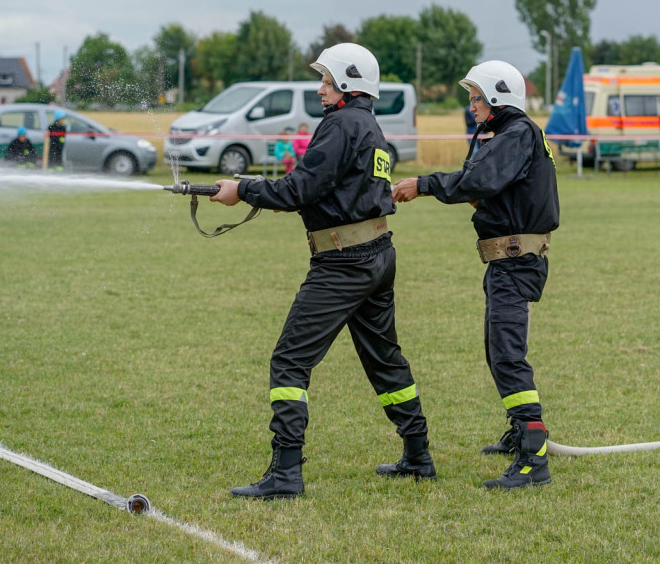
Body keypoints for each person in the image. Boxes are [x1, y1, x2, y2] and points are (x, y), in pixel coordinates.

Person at [211, 43, 433, 500]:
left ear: (349, 84)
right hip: (377, 255)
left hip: (343, 264)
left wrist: (243, 189)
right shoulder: (370, 126)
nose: (321, 88)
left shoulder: (340, 124)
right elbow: (329, 192)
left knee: (290, 360)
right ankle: (418, 454)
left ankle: (286, 473)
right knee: (385, 360)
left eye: (328, 81)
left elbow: (302, 187)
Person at [392, 60, 559, 491]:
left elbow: (478, 180)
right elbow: (478, 182)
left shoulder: (517, 134)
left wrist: (424, 184)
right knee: (496, 347)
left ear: (500, 97)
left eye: (477, 98)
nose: (472, 106)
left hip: (515, 259)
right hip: (505, 258)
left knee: (506, 352)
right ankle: (518, 431)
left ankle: (533, 457)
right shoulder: (505, 135)